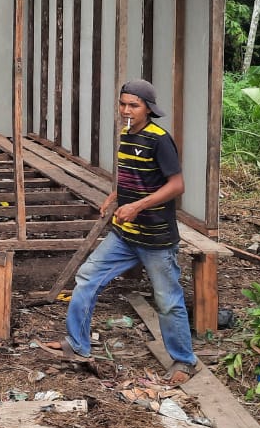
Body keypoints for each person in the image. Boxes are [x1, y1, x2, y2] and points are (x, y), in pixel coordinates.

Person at [63, 80, 198, 385]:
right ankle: (76, 345)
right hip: (124, 235)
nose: (126, 110)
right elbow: (131, 174)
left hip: (156, 238)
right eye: (123, 103)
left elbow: (177, 186)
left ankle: (184, 361)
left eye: (133, 105)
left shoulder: (160, 140)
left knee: (167, 299)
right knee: (87, 277)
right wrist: (115, 195)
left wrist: (137, 206)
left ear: (149, 108)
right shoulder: (126, 134)